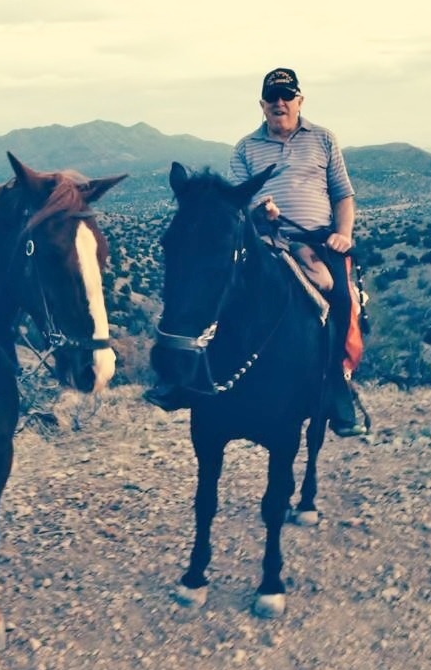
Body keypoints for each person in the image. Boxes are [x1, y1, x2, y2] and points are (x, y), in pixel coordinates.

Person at [146, 67, 366, 437]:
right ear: (262, 105)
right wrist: (257, 214)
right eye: (272, 97)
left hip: (317, 240)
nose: (280, 103)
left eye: (287, 96)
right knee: (215, 291)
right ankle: (185, 378)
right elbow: (234, 203)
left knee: (341, 297)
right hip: (263, 238)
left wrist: (344, 234)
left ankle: (335, 388)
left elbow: (343, 194)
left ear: (300, 100)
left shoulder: (324, 139)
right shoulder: (246, 147)